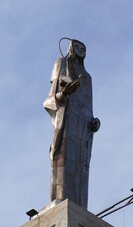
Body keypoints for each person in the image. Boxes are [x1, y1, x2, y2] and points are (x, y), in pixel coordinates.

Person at [43, 39, 100, 209]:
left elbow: (88, 109)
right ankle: (59, 200)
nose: (80, 50)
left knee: (82, 166)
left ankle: (80, 205)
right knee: (63, 159)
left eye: (84, 48)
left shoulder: (87, 78)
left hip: (83, 131)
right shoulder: (61, 64)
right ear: (70, 48)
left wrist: (94, 123)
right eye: (77, 46)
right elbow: (49, 101)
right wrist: (63, 95)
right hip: (66, 122)